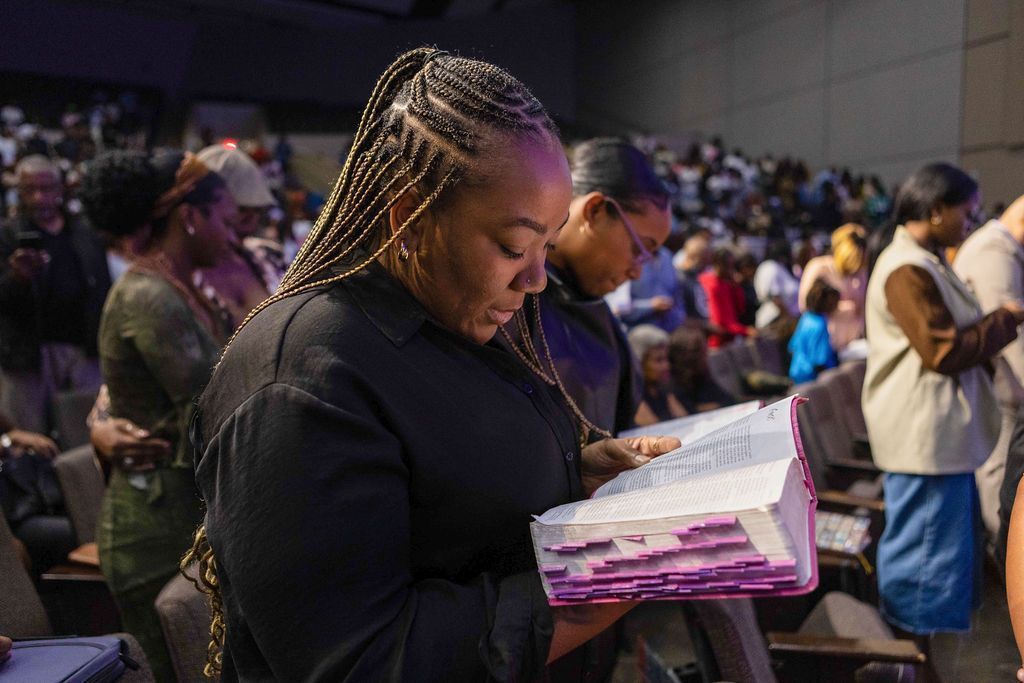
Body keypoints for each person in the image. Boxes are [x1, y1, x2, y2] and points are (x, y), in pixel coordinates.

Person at [185, 49, 678, 682]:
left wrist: (574, 474)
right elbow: (361, 660)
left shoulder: (458, 310)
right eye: (512, 247)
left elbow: (449, 500)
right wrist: (603, 579)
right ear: (408, 216)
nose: (535, 279)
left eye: (545, 247)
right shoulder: (299, 380)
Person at [80, 149, 235, 681]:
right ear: (190, 218)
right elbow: (208, 413)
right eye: (225, 219)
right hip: (153, 534)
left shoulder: (182, 289)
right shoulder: (149, 296)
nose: (232, 234)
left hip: (177, 517)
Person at [862, 163, 1024, 658]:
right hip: (922, 437)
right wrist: (1005, 319)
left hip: (937, 436)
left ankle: (921, 651)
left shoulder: (925, 260)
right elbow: (942, 350)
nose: (971, 223)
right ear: (935, 212)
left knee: (936, 552)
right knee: (922, 557)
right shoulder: (905, 267)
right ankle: (908, 654)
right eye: (966, 212)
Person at [500, 137, 672, 439]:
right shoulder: (505, 291)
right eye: (638, 248)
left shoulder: (590, 300)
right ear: (594, 211)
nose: (636, 271)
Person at [0, 155, 110, 433]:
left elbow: (101, 287)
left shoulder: (84, 232)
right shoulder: (7, 235)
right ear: (20, 192)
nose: (40, 198)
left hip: (81, 348)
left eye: (47, 189)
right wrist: (18, 278)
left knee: (85, 434)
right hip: (27, 353)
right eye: (30, 190)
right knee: (29, 436)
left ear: (60, 190)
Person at [954, 194, 1024, 541]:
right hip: (1000, 386)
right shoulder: (995, 252)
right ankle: (1004, 555)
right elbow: (1012, 335)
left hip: (1002, 385)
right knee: (999, 475)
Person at [798, 223, 868, 351]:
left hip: (855, 344)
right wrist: (842, 308)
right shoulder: (819, 267)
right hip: (825, 347)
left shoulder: (861, 272)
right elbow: (805, 305)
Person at [606, 245, 685, 334]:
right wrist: (650, 306)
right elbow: (617, 308)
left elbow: (678, 296)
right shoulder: (629, 256)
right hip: (636, 335)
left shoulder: (666, 255)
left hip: (668, 334)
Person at [628, 324, 687, 425]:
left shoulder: (662, 388)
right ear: (639, 363)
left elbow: (684, 419)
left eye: (666, 359)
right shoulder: (633, 397)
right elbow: (655, 431)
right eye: (658, 360)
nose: (666, 366)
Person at [668, 326, 734, 413]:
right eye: (704, 353)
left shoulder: (701, 374)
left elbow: (728, 400)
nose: (707, 357)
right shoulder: (673, 384)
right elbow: (690, 412)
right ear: (691, 357)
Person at [699, 247, 755, 349]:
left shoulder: (726, 283)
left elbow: (740, 309)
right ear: (718, 264)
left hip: (729, 338)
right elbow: (720, 322)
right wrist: (746, 331)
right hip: (717, 342)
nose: (731, 270)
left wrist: (735, 286)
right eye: (728, 266)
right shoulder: (711, 284)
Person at [788, 278, 839, 384]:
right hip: (811, 379)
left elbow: (793, 348)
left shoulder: (806, 317)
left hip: (797, 374)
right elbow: (820, 361)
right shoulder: (819, 324)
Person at [753, 238, 800, 332]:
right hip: (774, 322)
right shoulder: (769, 267)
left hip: (786, 322)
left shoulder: (781, 267)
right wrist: (789, 320)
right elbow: (776, 298)